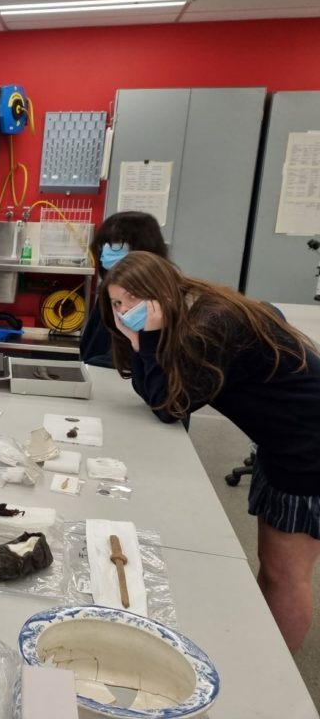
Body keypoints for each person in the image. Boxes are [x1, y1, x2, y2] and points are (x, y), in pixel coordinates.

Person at [101, 250, 320, 653]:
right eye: (117, 303)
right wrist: (138, 339)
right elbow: (157, 391)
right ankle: (264, 648)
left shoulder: (211, 323)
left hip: (307, 448)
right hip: (281, 442)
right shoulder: (191, 311)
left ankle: (271, 675)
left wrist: (144, 339)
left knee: (286, 573)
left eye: (133, 299)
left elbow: (168, 406)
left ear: (161, 291)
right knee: (271, 568)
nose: (125, 310)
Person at [80, 210, 168, 367]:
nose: (107, 250)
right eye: (104, 243)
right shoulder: (109, 293)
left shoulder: (158, 299)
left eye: (116, 244)